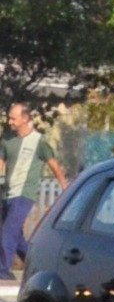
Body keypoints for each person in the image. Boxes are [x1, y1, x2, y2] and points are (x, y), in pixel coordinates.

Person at [2, 103, 57, 288]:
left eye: (13, 118)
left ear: (25, 118)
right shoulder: (7, 139)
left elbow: (53, 165)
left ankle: (3, 272)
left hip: (25, 194)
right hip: (7, 193)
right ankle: (38, 265)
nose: (9, 121)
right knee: (16, 237)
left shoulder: (39, 141)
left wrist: (66, 187)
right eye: (9, 118)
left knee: (8, 233)